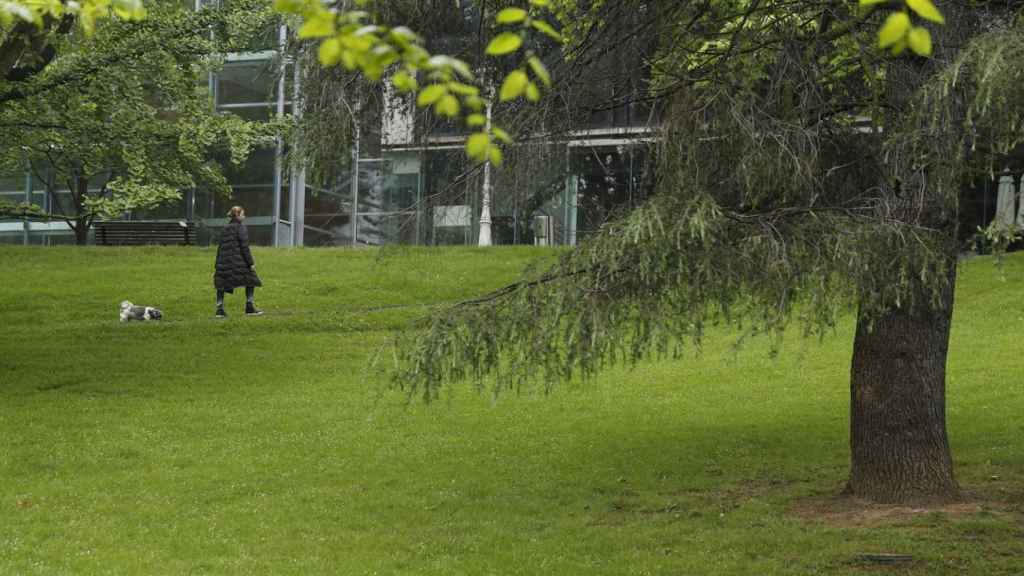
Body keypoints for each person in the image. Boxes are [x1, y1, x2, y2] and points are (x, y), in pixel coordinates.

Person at [213, 206, 263, 318]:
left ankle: (219, 309)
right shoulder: (241, 228)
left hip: (223, 262)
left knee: (221, 283)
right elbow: (244, 247)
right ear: (238, 215)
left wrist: (217, 265)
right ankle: (249, 306)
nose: (244, 216)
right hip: (238, 262)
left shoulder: (225, 228)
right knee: (251, 280)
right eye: (243, 214)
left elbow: (220, 247)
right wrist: (250, 263)